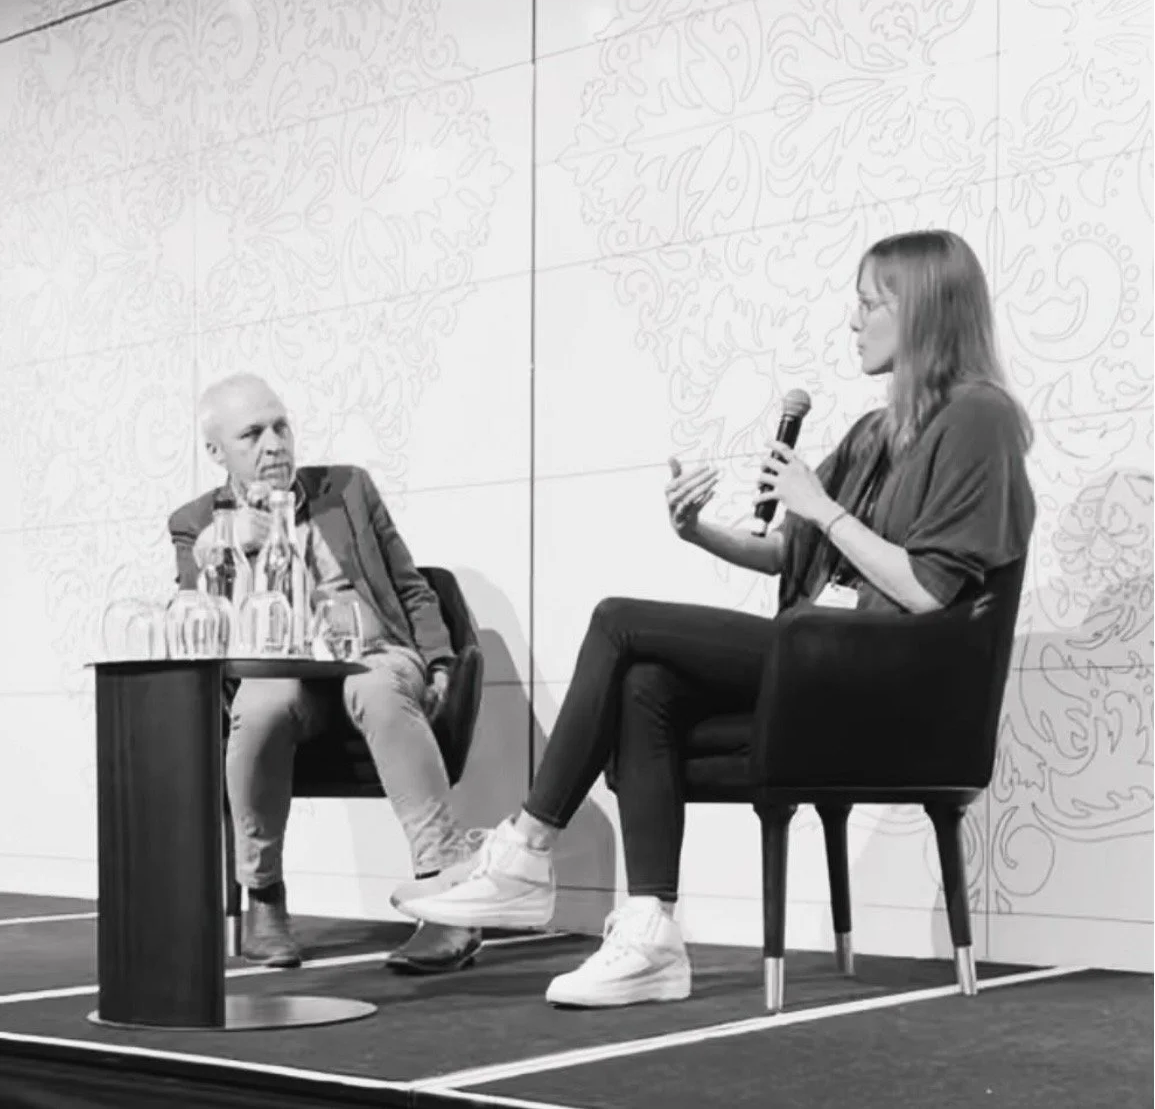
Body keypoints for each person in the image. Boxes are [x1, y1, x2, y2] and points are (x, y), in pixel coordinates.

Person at [399, 229, 1037, 1007]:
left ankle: (526, 849)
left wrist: (823, 508)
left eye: (870, 304)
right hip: (834, 659)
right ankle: (650, 934)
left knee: (617, 621)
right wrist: (697, 527)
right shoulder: (877, 431)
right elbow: (785, 553)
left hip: (896, 681)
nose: (853, 322)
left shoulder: (980, 418)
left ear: (927, 312)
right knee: (646, 681)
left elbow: (928, 590)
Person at [168, 373, 482, 973]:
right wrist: (217, 549)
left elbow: (411, 584)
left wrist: (440, 663)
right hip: (280, 669)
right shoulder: (195, 522)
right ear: (217, 452)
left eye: (280, 425)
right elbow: (192, 621)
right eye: (252, 434)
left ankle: (447, 900)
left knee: (378, 687)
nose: (274, 444)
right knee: (260, 703)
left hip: (372, 654)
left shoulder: (348, 490)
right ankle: (264, 899)